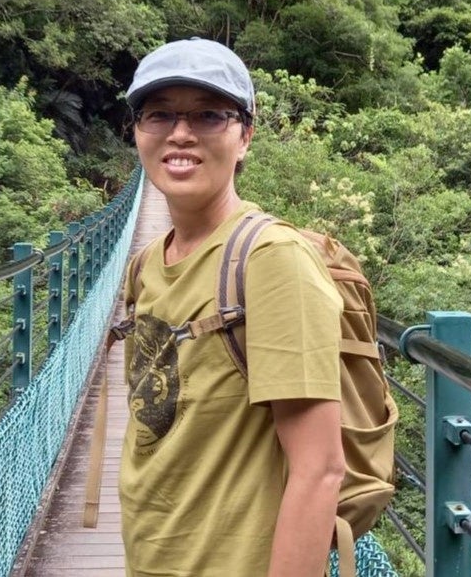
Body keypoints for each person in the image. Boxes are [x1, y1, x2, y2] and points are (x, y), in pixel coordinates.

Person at [118, 37, 345, 577]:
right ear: (137, 131)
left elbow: (320, 470)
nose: (180, 133)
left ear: (245, 136)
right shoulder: (146, 262)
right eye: (159, 114)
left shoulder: (273, 259)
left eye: (208, 115)